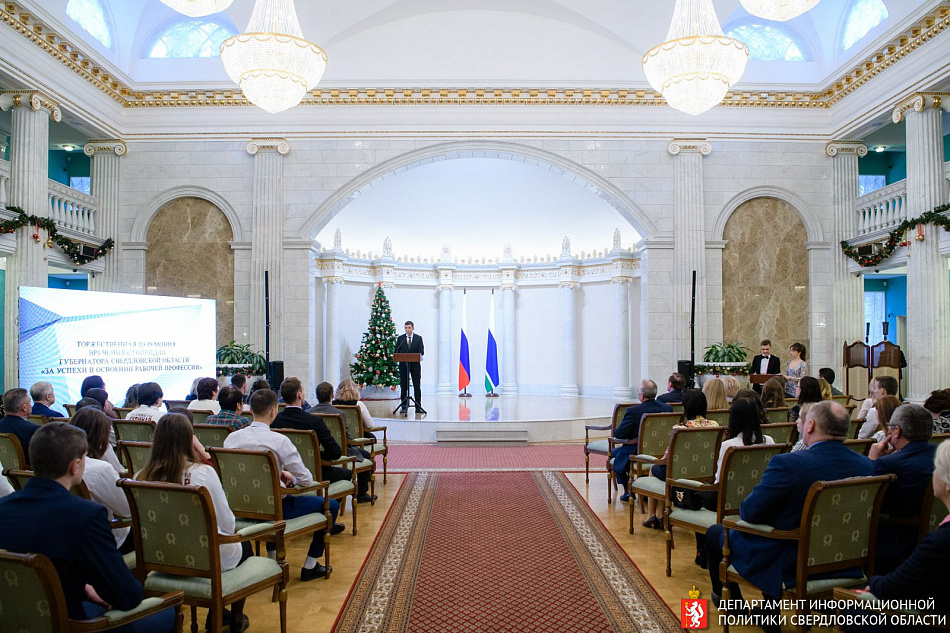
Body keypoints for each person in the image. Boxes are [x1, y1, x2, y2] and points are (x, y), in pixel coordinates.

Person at [0, 422, 176, 632]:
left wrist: (83, 588)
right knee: (168, 610)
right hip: (72, 623)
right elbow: (127, 596)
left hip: (12, 620)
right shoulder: (85, 515)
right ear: (75, 466)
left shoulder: (4, 507)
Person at [705, 401, 873, 617]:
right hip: (848, 560)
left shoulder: (788, 464)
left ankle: (735, 607)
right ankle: (768, 611)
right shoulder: (866, 465)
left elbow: (750, 512)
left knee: (716, 533)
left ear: (810, 426)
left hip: (791, 560)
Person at [139, 413, 252, 632]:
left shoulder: (140, 476)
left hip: (161, 555)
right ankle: (227, 618)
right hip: (203, 559)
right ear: (188, 439)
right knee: (244, 546)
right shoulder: (203, 473)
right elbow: (228, 525)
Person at [224, 388, 341, 581]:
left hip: (240, 508)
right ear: (273, 411)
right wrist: (292, 479)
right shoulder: (278, 441)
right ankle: (311, 565)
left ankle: (271, 560)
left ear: (250, 410)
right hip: (276, 508)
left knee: (272, 494)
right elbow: (305, 479)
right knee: (332, 505)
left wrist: (278, 474)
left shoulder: (232, 439)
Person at [845, 440, 950, 628]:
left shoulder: (940, 541)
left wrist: (873, 581)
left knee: (851, 609)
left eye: (936, 468)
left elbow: (893, 588)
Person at [692, 398, 775, 569]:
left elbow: (719, 480)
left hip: (727, 500)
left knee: (696, 497)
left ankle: (703, 551)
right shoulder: (770, 440)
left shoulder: (728, 445)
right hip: (758, 498)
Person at [273, 377, 367, 507]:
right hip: (313, 471)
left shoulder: (275, 421)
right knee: (346, 473)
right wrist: (316, 455)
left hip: (284, 472)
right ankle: (327, 511)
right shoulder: (313, 421)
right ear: (299, 394)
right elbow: (335, 452)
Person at [868, 403, 936, 575]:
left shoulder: (888, 464)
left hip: (897, 542)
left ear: (896, 431)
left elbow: (869, 502)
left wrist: (873, 461)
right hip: (935, 536)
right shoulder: (941, 454)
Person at [642, 389, 718, 529]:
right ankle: (659, 515)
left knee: (654, 470)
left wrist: (656, 461)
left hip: (679, 475)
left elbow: (667, 457)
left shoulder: (680, 428)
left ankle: (652, 515)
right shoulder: (714, 425)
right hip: (703, 473)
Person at [70, 407, 132, 553]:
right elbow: (128, 511)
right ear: (100, 437)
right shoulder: (100, 469)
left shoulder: (54, 464)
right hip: (106, 541)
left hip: (70, 540)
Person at [308, 382, 377, 503]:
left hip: (316, 453)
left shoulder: (308, 413)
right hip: (341, 450)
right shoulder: (339, 413)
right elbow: (347, 437)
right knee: (365, 455)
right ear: (331, 395)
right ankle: (362, 492)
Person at [612, 379, 673, 503]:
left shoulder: (634, 411)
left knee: (616, 457)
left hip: (637, 450)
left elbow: (619, 434)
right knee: (615, 453)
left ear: (641, 395)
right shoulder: (668, 408)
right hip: (660, 450)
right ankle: (644, 489)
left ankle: (628, 491)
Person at [0, 388, 42, 464]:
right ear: (24, 407)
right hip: (27, 473)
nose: (31, 405)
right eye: (30, 402)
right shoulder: (33, 430)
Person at [395, 320, 424, 412]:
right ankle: (404, 406)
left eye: (409, 328)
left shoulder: (418, 338)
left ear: (413, 328)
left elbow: (421, 352)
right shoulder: (401, 339)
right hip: (404, 366)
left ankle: (418, 406)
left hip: (415, 366)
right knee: (404, 385)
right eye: (406, 328)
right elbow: (396, 351)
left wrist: (414, 356)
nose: (407, 330)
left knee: (417, 385)